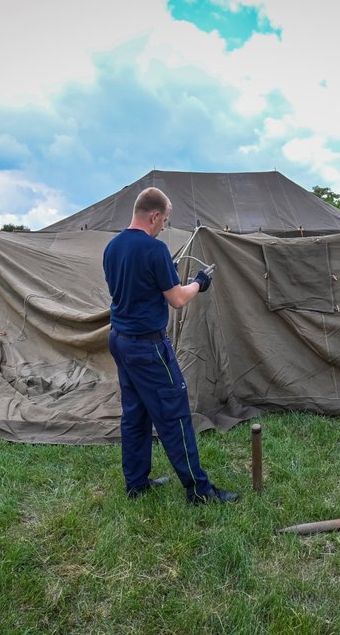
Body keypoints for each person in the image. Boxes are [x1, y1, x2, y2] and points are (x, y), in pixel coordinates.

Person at [103, 186, 238, 504]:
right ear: (154, 215)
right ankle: (200, 492)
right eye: (165, 219)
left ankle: (136, 484)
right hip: (147, 348)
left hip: (119, 340)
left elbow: (129, 291)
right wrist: (198, 284)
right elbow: (177, 299)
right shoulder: (154, 250)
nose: (164, 225)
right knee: (175, 415)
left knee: (134, 414)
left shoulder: (112, 247)